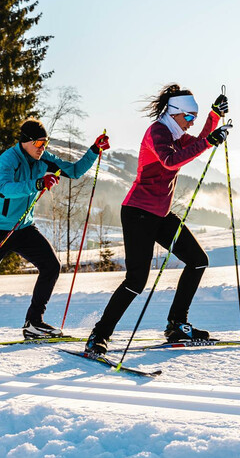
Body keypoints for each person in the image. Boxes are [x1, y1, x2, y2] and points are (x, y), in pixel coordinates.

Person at [0, 117, 110, 348]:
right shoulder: (7, 159)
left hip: (23, 228)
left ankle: (34, 324)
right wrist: (37, 183)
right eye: (38, 144)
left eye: (44, 143)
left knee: (51, 266)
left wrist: (94, 150)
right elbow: (4, 189)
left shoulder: (44, 158)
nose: (42, 148)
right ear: (25, 141)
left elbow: (75, 171)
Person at [85, 84, 231, 354]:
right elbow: (170, 161)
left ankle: (177, 324)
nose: (191, 123)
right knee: (136, 281)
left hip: (161, 214)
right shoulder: (158, 131)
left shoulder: (176, 132)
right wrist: (209, 140)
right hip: (138, 213)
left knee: (198, 262)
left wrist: (213, 117)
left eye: (194, 119)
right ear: (175, 113)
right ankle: (99, 335)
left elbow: (199, 141)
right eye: (189, 117)